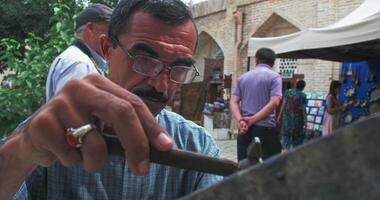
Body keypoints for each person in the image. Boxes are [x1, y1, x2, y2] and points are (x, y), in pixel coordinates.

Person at [0, 1, 223, 199]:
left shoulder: (197, 146)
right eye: (145, 60)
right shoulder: (47, 138)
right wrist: (19, 153)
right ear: (107, 49)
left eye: (178, 68)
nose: (161, 85)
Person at [46, 3, 112, 101]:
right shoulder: (80, 64)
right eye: (110, 32)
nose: (114, 39)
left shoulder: (76, 58)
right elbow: (69, 113)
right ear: (90, 29)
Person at [230, 47, 282, 161]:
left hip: (245, 129)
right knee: (270, 166)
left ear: (256, 60)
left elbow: (233, 102)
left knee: (245, 166)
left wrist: (241, 120)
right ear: (272, 63)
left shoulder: (243, 77)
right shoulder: (275, 77)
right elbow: (275, 102)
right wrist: (253, 119)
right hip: (265, 129)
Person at [277, 79, 307, 151]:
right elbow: (303, 109)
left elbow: (283, 105)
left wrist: (279, 116)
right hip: (297, 120)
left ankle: (285, 149)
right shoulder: (303, 95)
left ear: (296, 85)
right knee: (296, 137)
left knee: (286, 135)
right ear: (303, 87)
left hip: (287, 119)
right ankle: (294, 151)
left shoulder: (288, 92)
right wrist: (306, 121)